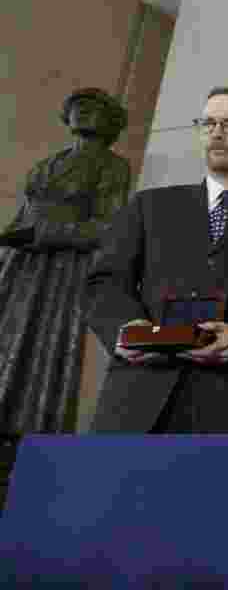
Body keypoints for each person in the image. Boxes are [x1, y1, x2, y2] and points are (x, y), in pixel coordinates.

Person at [86, 87, 228, 433]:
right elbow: (105, 282)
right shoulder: (150, 207)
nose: (217, 133)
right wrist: (128, 328)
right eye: (208, 123)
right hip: (138, 397)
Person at [0, 88, 132, 433]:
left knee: (42, 344)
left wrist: (45, 232)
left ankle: (24, 429)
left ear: (111, 123)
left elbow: (108, 228)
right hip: (20, 264)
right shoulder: (47, 164)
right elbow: (24, 214)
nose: (84, 112)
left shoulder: (112, 166)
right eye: (78, 106)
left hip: (62, 268)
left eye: (95, 108)